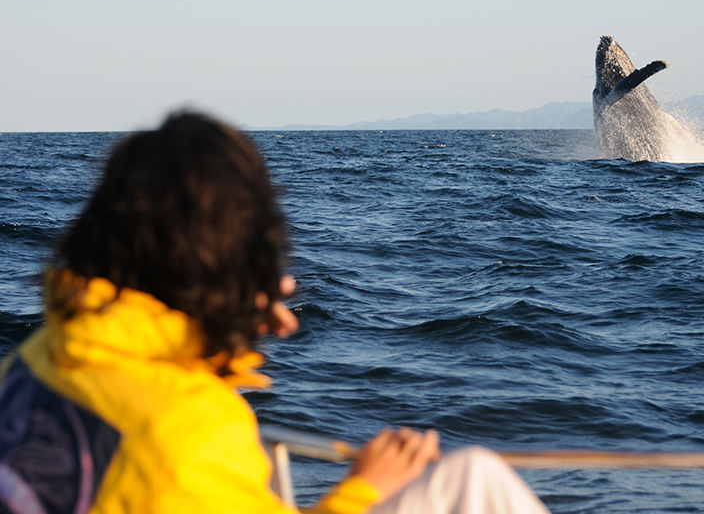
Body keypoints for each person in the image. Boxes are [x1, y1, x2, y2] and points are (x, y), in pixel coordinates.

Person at [0, 111, 551, 514]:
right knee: (475, 479)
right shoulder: (187, 434)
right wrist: (364, 486)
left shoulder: (30, 364)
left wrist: (220, 326)